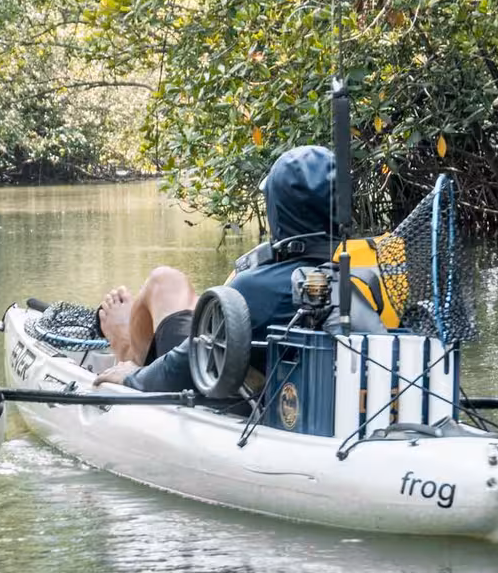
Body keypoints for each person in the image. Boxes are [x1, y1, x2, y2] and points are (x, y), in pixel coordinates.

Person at [96, 144, 337, 391]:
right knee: (202, 303)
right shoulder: (363, 271)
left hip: (225, 394)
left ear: (277, 209)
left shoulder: (261, 289)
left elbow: (183, 367)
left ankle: (127, 350)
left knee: (165, 281)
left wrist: (134, 377)